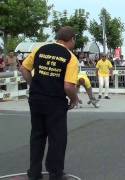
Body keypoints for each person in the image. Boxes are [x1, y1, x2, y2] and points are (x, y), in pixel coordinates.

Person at [20, 26, 79, 180]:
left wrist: (33, 85)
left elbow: (24, 69)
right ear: (71, 39)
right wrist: (74, 99)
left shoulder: (40, 49)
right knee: (57, 139)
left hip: (36, 99)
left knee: (37, 136)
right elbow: (68, 85)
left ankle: (34, 172)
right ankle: (55, 173)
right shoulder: (70, 57)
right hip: (55, 102)